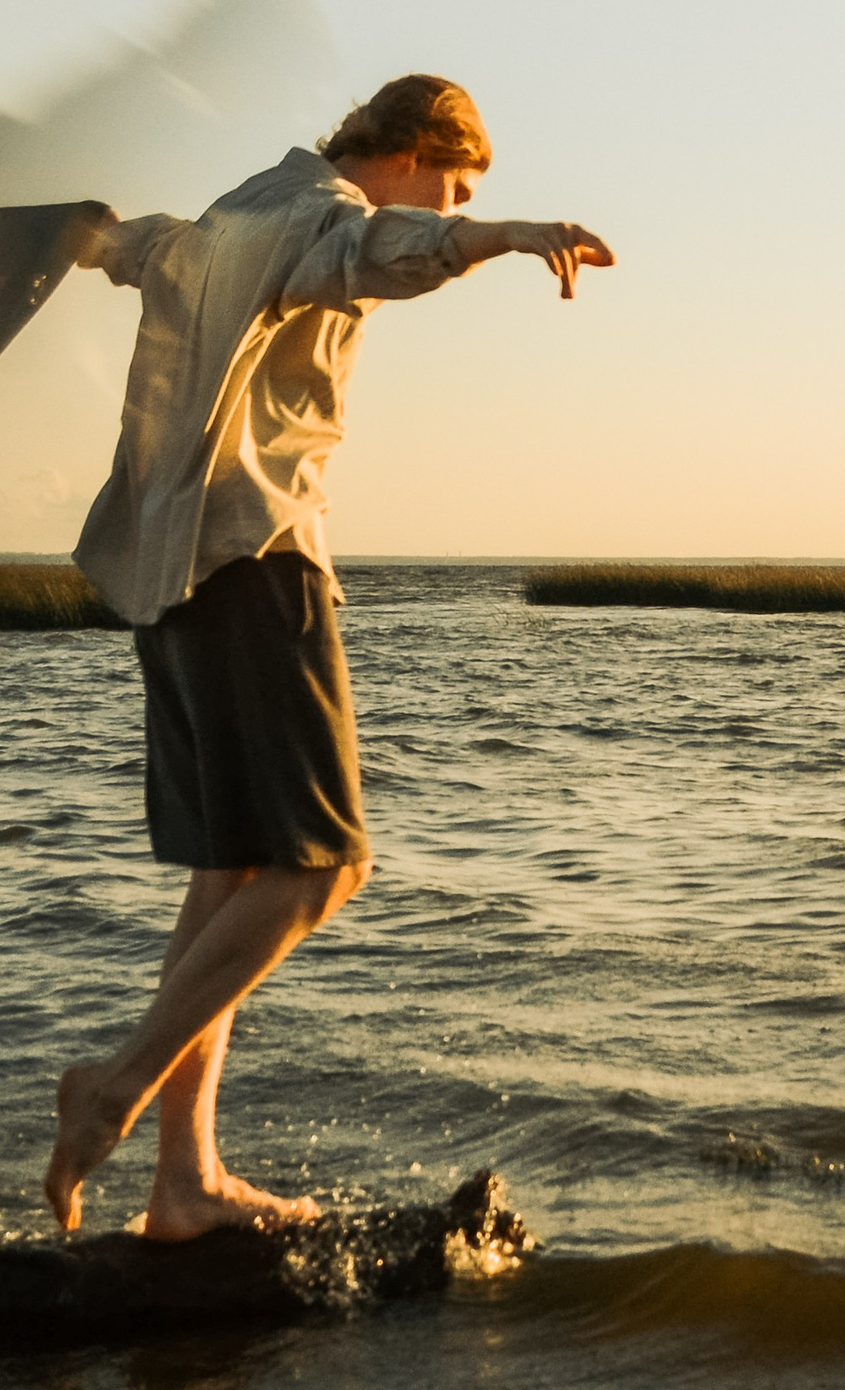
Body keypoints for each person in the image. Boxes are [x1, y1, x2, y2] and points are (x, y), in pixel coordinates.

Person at [42, 74, 612, 1236]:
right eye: (455, 183)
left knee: (232, 872)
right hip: (257, 560)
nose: (453, 205)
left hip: (170, 577)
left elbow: (138, 250)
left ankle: (185, 1183)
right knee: (322, 869)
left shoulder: (232, 213)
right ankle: (115, 1088)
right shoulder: (320, 217)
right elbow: (375, 252)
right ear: (409, 152)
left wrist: (85, 235)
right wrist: (505, 235)